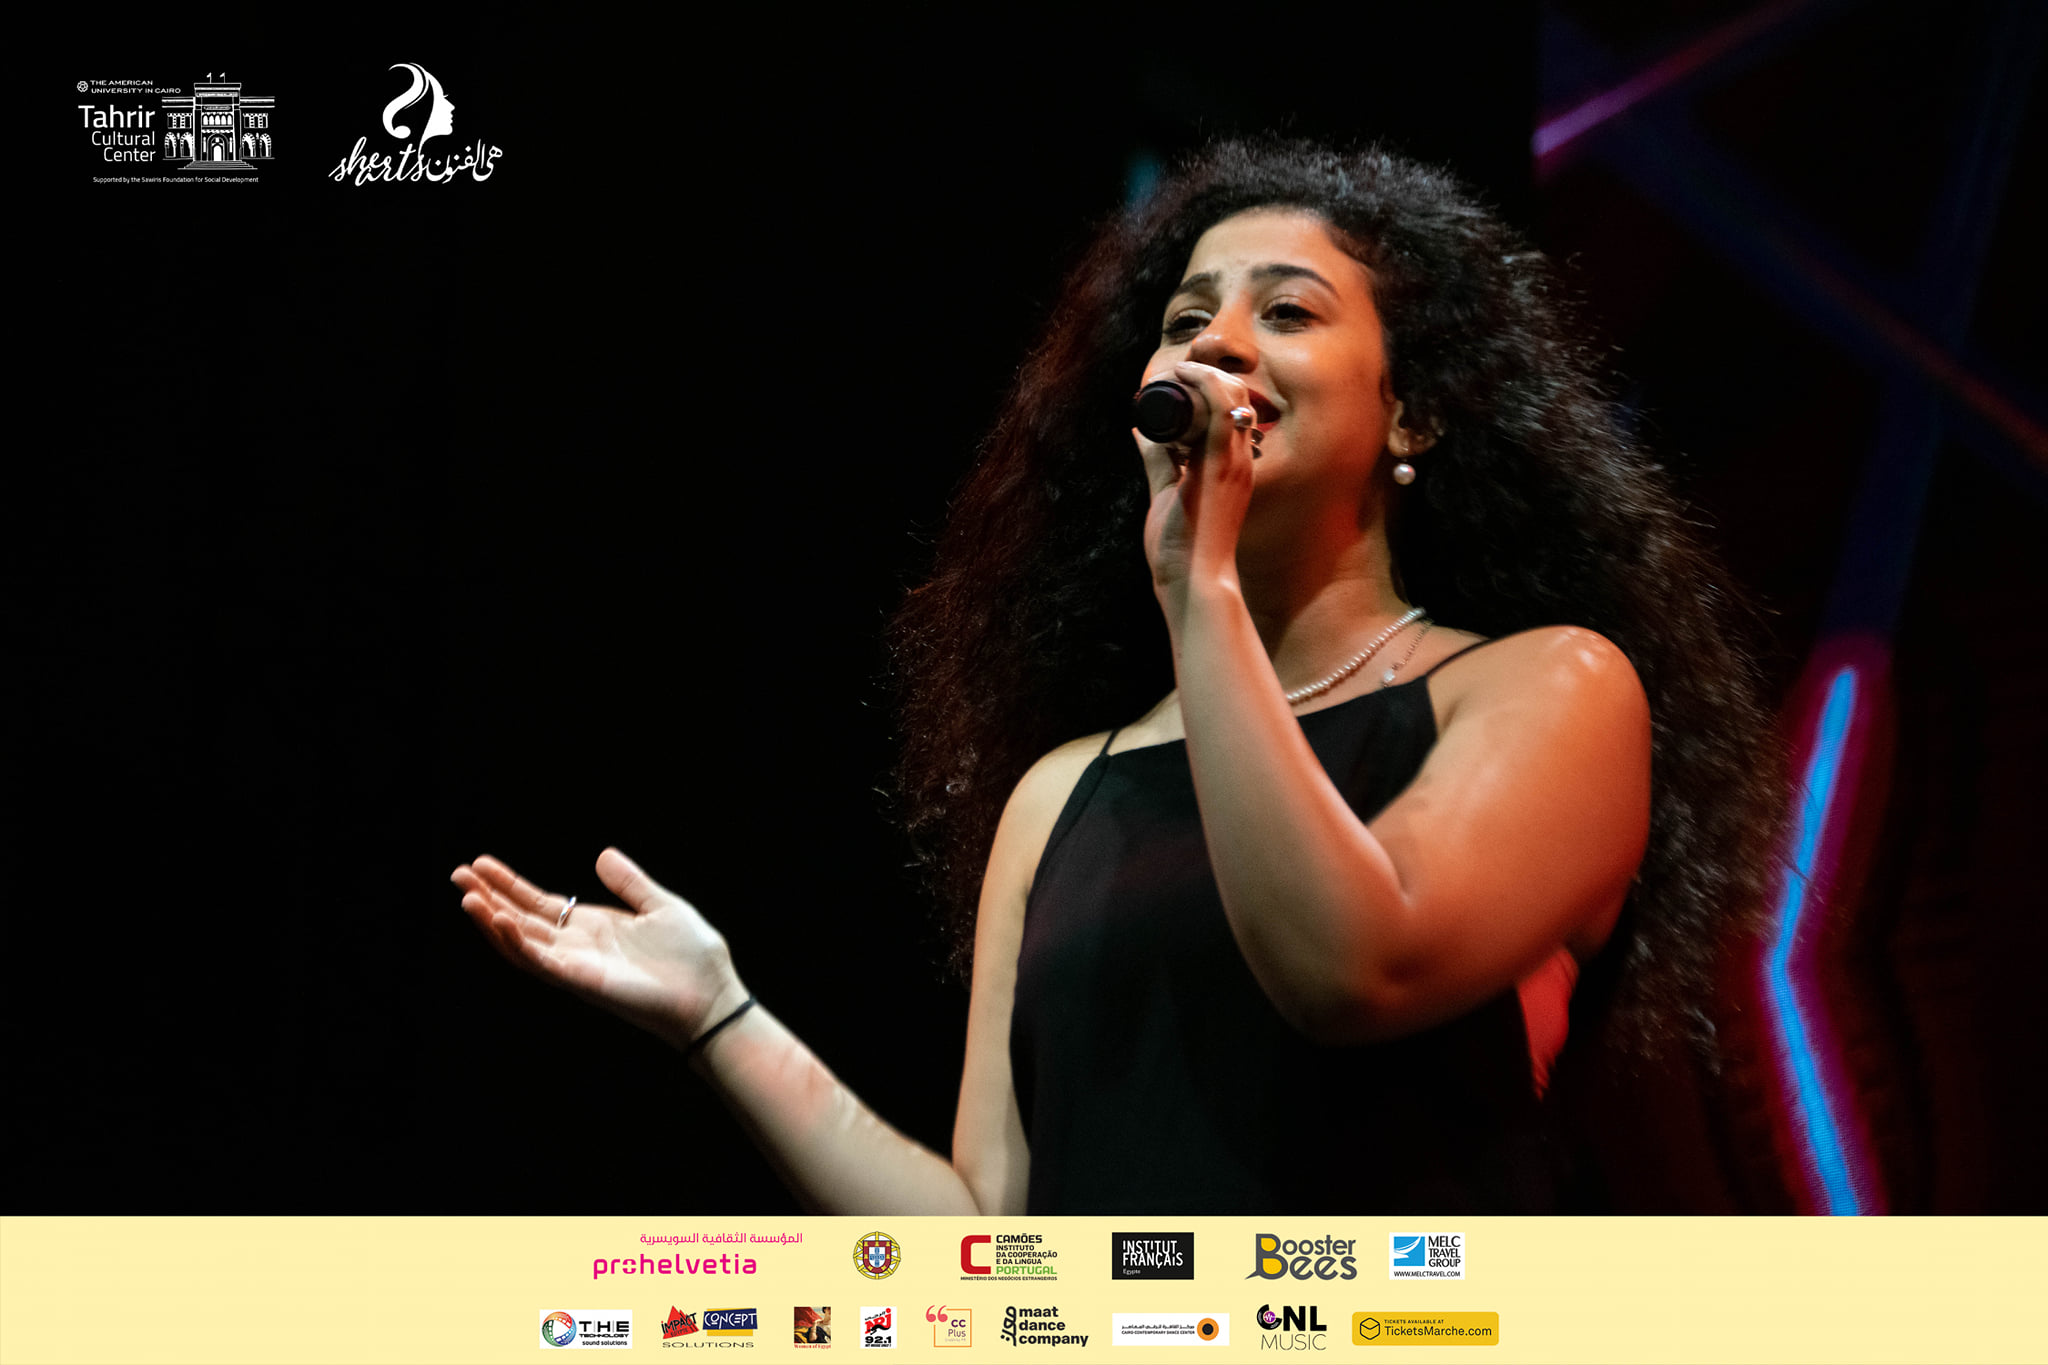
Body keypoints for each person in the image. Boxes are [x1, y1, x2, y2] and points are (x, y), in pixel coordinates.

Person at [453, 139, 1783, 1214]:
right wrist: (722, 1015)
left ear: (1414, 412)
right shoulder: (1064, 792)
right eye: (1187, 318)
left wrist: (1201, 588)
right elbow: (994, 1244)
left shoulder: (1549, 689)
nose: (1216, 345)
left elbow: (1354, 965)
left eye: (1287, 312)